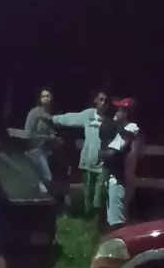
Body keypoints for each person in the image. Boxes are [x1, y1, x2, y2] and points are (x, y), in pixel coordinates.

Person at [52, 91, 111, 220]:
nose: (103, 103)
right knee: (88, 192)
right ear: (95, 100)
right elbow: (71, 118)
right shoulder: (89, 115)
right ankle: (89, 219)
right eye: (101, 100)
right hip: (88, 160)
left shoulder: (110, 120)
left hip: (102, 162)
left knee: (99, 193)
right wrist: (53, 119)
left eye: (106, 101)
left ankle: (97, 219)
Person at [100, 98, 140, 230]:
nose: (116, 112)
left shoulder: (130, 128)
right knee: (113, 216)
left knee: (117, 222)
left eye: (121, 110)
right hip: (118, 178)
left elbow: (112, 153)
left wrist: (101, 153)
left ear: (127, 113)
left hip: (120, 178)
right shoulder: (122, 130)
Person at [24, 88, 60, 186]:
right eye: (43, 96)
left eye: (47, 96)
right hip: (34, 150)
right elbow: (29, 134)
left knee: (41, 179)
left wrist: (54, 137)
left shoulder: (50, 114)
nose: (45, 98)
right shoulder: (34, 113)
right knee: (47, 177)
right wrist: (49, 137)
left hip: (46, 150)